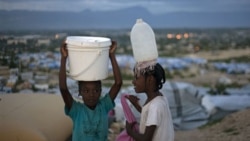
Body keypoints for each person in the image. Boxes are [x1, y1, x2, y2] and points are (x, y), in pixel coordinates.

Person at [59, 40, 122, 141]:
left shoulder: (104, 106)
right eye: (86, 91)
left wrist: (111, 55)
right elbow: (63, 89)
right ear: (80, 92)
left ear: (100, 91)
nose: (91, 95)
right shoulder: (76, 110)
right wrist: (63, 58)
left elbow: (118, 83)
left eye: (96, 91)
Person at [125, 60, 174, 141]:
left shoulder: (155, 106)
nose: (133, 82)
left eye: (136, 78)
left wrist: (130, 131)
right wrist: (137, 106)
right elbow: (151, 116)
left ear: (150, 79)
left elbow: (146, 139)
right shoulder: (159, 99)